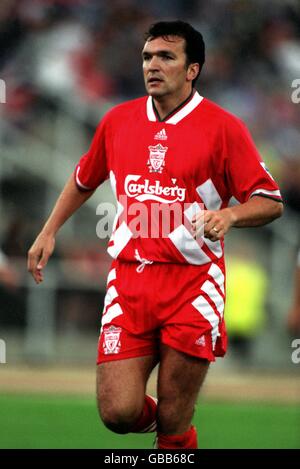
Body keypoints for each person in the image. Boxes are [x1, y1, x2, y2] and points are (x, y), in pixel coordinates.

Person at [28, 21, 283, 449]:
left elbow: (271, 201)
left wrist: (232, 216)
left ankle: (175, 439)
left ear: (192, 70)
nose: (152, 65)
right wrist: (48, 231)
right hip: (129, 281)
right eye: (148, 56)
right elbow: (83, 178)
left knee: (173, 417)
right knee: (117, 412)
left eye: (166, 57)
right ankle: (172, 428)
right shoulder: (117, 120)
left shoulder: (223, 128)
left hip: (191, 283)